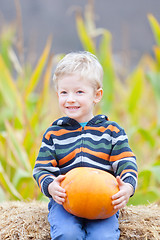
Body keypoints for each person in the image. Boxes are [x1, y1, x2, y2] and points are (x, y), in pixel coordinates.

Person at [33, 51, 138, 240]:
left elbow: (127, 163)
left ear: (96, 95)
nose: (70, 98)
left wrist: (128, 187)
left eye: (79, 92)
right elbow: (41, 168)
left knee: (104, 237)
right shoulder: (54, 133)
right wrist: (50, 186)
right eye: (64, 92)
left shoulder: (112, 132)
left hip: (103, 202)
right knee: (67, 234)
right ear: (57, 94)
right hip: (65, 201)